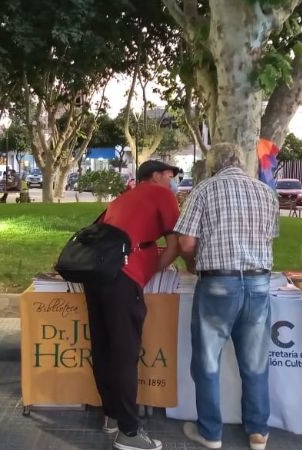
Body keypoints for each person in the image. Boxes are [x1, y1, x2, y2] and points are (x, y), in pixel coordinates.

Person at [174, 143, 279, 450]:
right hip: (259, 284)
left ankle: (210, 433)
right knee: (256, 362)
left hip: (218, 285)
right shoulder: (265, 191)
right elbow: (268, 237)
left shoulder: (204, 190)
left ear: (212, 166)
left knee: (207, 362)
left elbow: (185, 243)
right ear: (240, 162)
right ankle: (258, 431)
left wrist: (193, 265)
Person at [82, 160, 182, 450]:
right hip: (123, 279)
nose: (172, 180)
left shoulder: (122, 199)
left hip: (96, 276)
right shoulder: (161, 194)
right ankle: (128, 432)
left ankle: (111, 416)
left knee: (103, 348)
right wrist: (145, 273)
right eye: (169, 175)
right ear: (155, 176)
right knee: (125, 354)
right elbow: (175, 246)